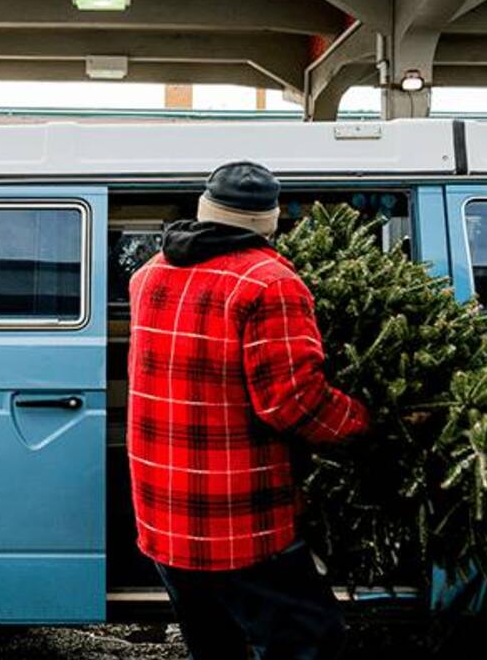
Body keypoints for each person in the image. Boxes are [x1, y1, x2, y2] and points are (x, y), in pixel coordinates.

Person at [127, 161, 370, 660]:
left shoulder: (149, 275)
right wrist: (365, 421)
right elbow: (292, 403)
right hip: (239, 524)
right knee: (309, 641)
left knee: (214, 645)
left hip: (164, 517)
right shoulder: (270, 283)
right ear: (270, 220)